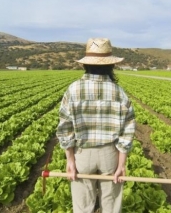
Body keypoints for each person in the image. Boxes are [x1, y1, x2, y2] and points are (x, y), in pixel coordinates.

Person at [56, 38, 135, 213]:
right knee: (111, 205)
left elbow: (65, 128)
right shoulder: (119, 93)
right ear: (111, 65)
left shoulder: (73, 89)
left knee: (83, 206)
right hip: (110, 154)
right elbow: (127, 131)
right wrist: (121, 164)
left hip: (82, 154)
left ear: (85, 65)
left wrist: (70, 160)